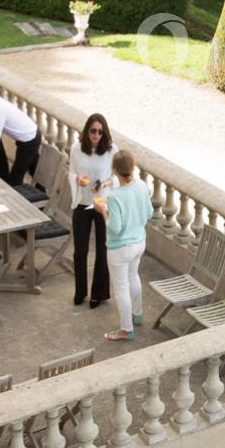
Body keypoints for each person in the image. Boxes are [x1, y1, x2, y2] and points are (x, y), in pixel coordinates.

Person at [95, 150, 151, 341]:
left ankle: (126, 330)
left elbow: (115, 228)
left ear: (114, 170)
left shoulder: (114, 196)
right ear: (133, 167)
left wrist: (103, 211)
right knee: (133, 276)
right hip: (139, 242)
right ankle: (138, 314)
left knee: (120, 288)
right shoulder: (143, 186)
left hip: (120, 248)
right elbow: (149, 213)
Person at [69, 113, 117, 307]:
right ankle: (80, 291)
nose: (96, 135)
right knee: (80, 251)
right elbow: (71, 171)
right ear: (87, 131)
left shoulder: (111, 150)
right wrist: (76, 179)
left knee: (102, 250)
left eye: (100, 132)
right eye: (92, 131)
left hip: (102, 204)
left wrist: (104, 183)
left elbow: (117, 178)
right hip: (82, 203)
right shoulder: (76, 148)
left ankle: (98, 293)